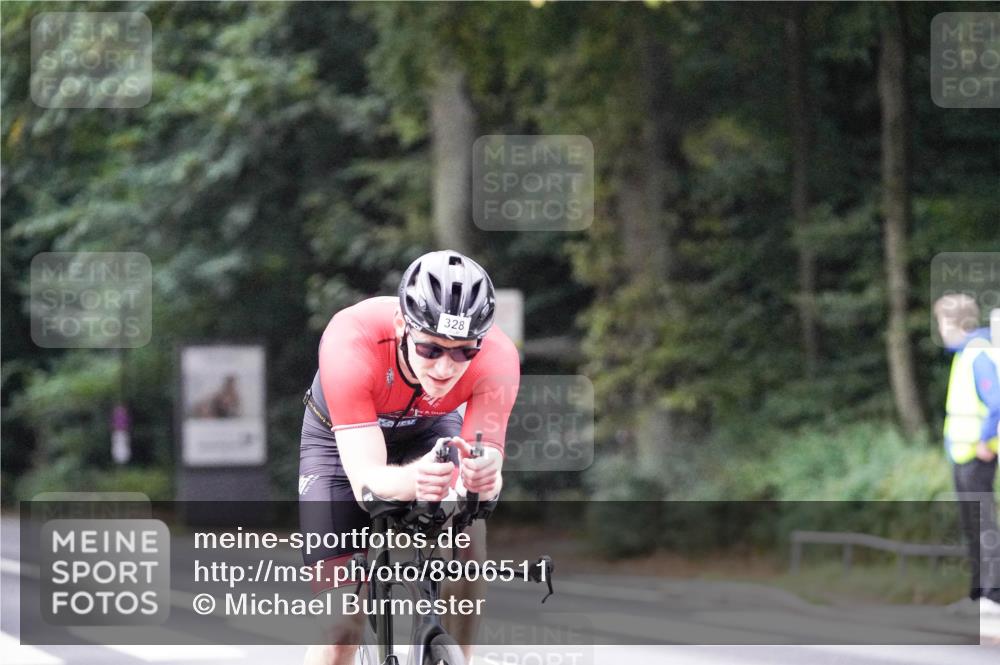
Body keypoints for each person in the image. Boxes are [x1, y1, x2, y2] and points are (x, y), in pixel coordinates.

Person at [298, 250, 521, 665]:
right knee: (340, 625)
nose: (444, 367)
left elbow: (486, 465)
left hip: (428, 430)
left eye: (463, 352)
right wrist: (418, 481)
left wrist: (483, 477)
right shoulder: (352, 339)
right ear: (403, 326)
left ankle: (460, 656)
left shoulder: (499, 358)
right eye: (431, 348)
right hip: (339, 440)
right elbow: (366, 480)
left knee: (470, 533)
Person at [933, 294, 1000, 615]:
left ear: (955, 322)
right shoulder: (964, 354)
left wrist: (986, 440)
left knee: (983, 524)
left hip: (977, 454)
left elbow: (996, 401)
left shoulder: (978, 353)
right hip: (963, 454)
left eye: (942, 322)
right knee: (972, 525)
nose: (940, 329)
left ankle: (994, 596)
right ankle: (977, 596)